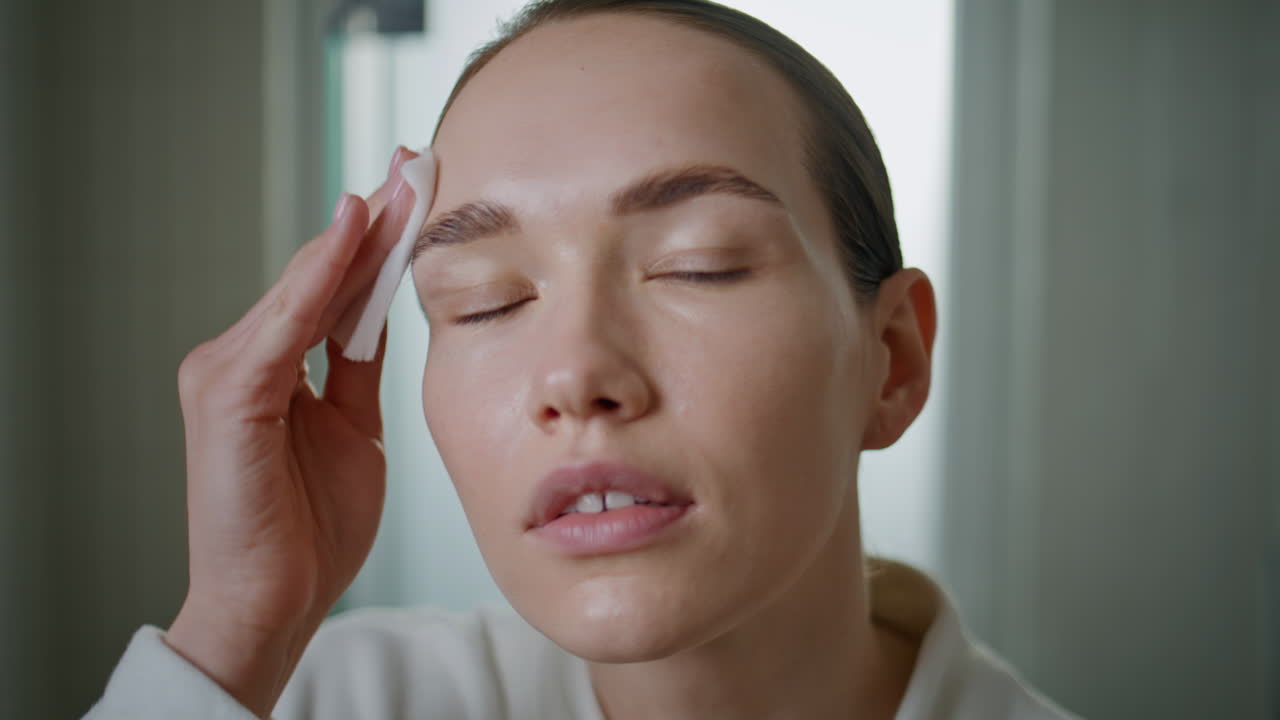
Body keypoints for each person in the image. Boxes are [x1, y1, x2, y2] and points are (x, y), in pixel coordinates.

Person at [86, 1, 1079, 718]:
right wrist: (235, 629)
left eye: (698, 267)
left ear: (892, 361)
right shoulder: (313, 701)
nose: (574, 376)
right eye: (485, 301)